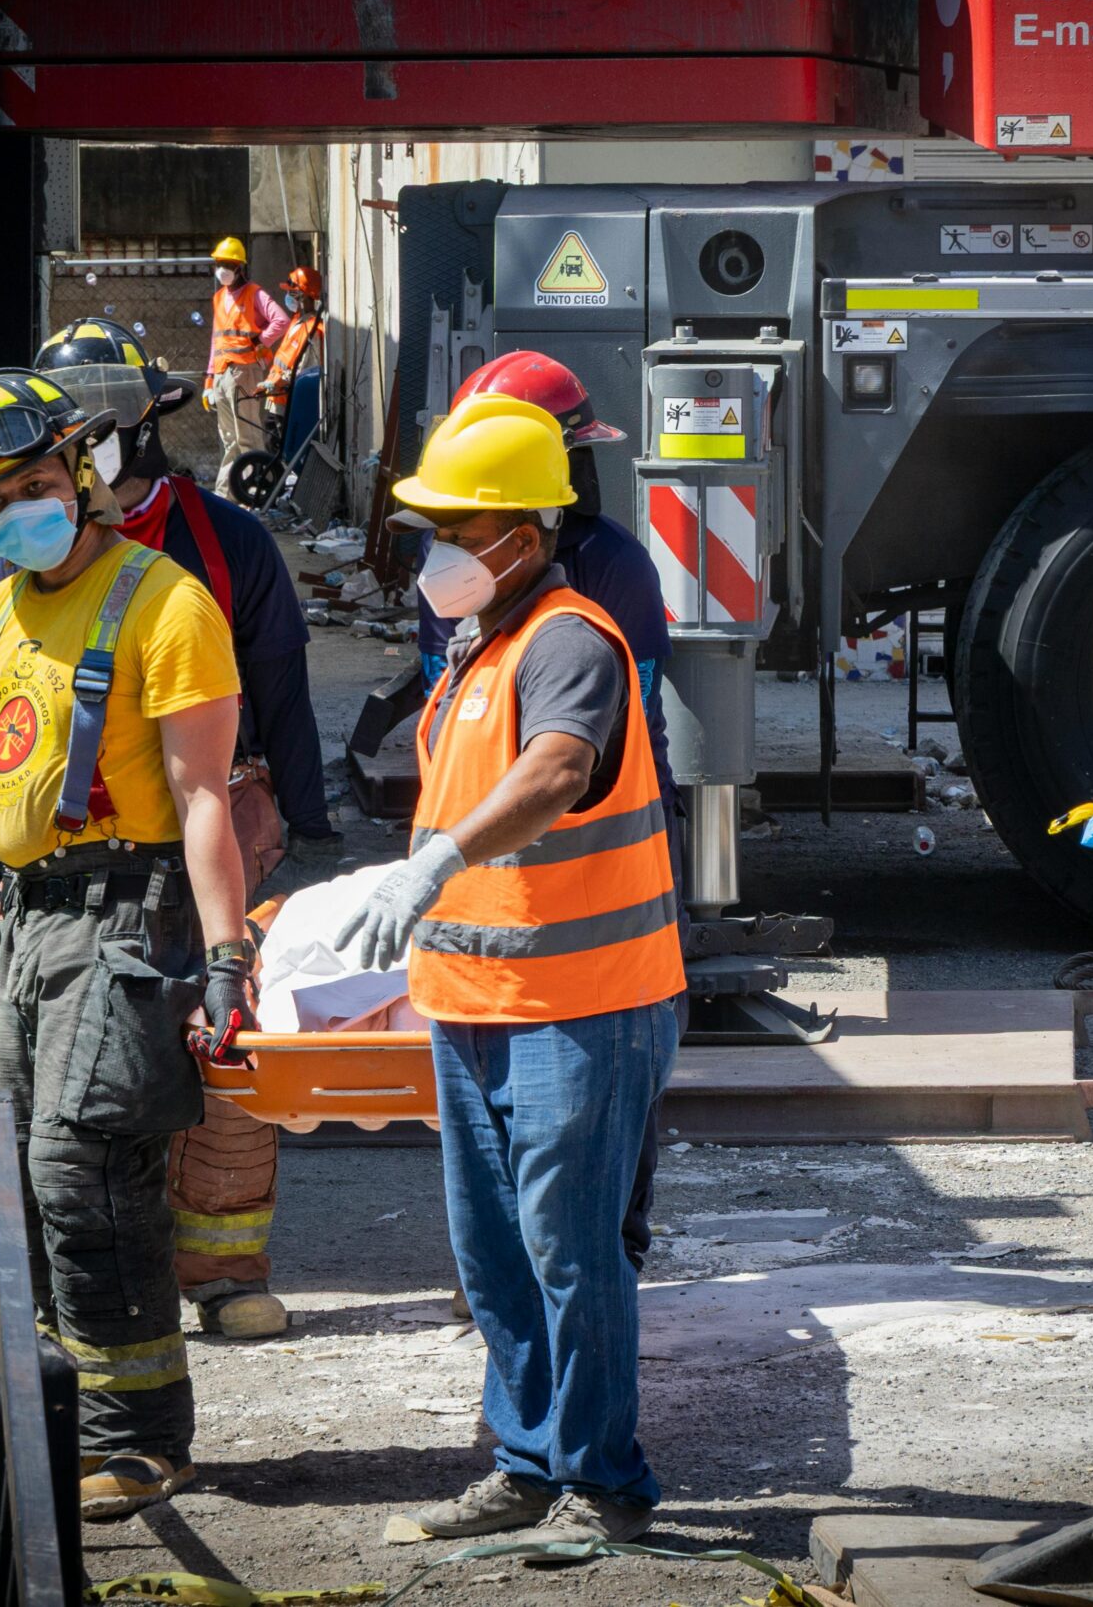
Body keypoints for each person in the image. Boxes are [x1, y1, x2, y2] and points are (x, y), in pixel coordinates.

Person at [0, 367, 259, 1522]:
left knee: (82, 1168)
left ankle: (139, 1437)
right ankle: (70, 1417)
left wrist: (227, 956)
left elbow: (201, 800)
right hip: (31, 926)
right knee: (23, 1181)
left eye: (32, 485)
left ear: (83, 477)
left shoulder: (167, 604)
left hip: (129, 922)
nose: (15, 512)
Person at [0, 317, 338, 1341]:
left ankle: (224, 1263)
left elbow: (282, 687)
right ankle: (92, 1288)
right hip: (83, 868)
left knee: (226, 1051)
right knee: (92, 1095)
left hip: (219, 823)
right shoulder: (14, 574)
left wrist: (311, 820)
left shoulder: (222, 545)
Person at [338, 394, 685, 1553]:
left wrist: (432, 860)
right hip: (479, 999)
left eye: (453, 528)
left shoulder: (569, 640)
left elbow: (552, 772)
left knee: (572, 1251)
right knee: (497, 1256)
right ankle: (528, 1460)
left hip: (583, 1004)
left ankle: (603, 1480)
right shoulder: (478, 642)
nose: (433, 550)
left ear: (522, 536)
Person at [201, 235, 290, 491]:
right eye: (219, 264)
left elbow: (280, 321)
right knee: (230, 441)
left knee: (247, 438)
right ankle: (226, 495)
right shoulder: (219, 298)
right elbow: (215, 341)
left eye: (228, 264)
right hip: (222, 374)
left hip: (245, 372)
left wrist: (260, 340)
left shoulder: (255, 293)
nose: (223, 270)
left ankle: (255, 492)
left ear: (240, 267)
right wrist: (209, 380)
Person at [259, 264, 325, 444]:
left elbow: (307, 372)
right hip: (277, 400)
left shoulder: (312, 329)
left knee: (282, 450)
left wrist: (281, 382)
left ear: (303, 295)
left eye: (292, 292)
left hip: (290, 403)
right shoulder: (298, 321)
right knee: (272, 446)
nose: (288, 296)